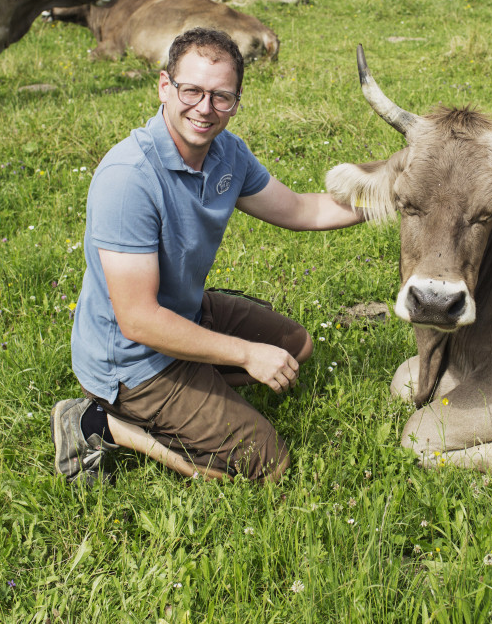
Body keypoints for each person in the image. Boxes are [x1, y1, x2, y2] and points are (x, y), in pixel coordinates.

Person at [51, 27, 362, 484]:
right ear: (164, 86)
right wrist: (245, 354)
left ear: (236, 101)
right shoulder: (128, 178)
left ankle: (198, 390)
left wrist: (390, 195)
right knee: (266, 468)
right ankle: (105, 425)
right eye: (191, 91)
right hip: (133, 358)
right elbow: (138, 320)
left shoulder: (226, 154)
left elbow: (300, 209)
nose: (205, 109)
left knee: (297, 348)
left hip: (183, 315)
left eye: (222, 97)